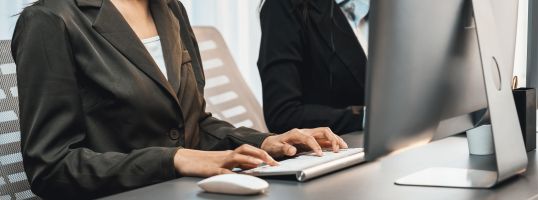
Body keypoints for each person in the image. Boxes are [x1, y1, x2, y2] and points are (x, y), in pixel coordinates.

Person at [11, 0, 347, 199]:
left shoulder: (170, 8)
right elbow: (50, 168)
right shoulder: (50, 19)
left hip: (184, 191)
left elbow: (195, 123)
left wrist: (267, 141)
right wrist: (174, 160)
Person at [257, 0, 369, 135]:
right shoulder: (283, 6)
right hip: (340, 145)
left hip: (392, 139)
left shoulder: (389, 9)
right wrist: (365, 117)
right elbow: (282, 114)